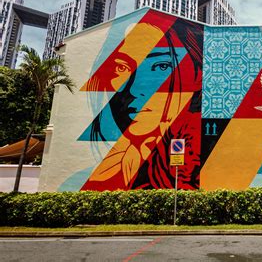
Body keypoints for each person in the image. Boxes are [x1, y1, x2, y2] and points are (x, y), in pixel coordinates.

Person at [80, 17, 203, 191]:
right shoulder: (93, 175)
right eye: (122, 68)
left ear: (198, 75)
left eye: (161, 66)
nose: (134, 90)